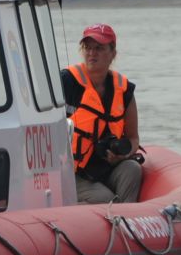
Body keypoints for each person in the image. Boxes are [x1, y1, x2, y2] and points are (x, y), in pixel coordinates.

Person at [61, 23, 143, 204]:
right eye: (87, 48)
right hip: (70, 172)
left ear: (113, 53)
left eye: (99, 48)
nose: (92, 53)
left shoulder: (124, 90)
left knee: (132, 169)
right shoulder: (66, 82)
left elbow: (133, 138)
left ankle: (128, 223)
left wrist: (122, 154)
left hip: (105, 167)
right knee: (105, 198)